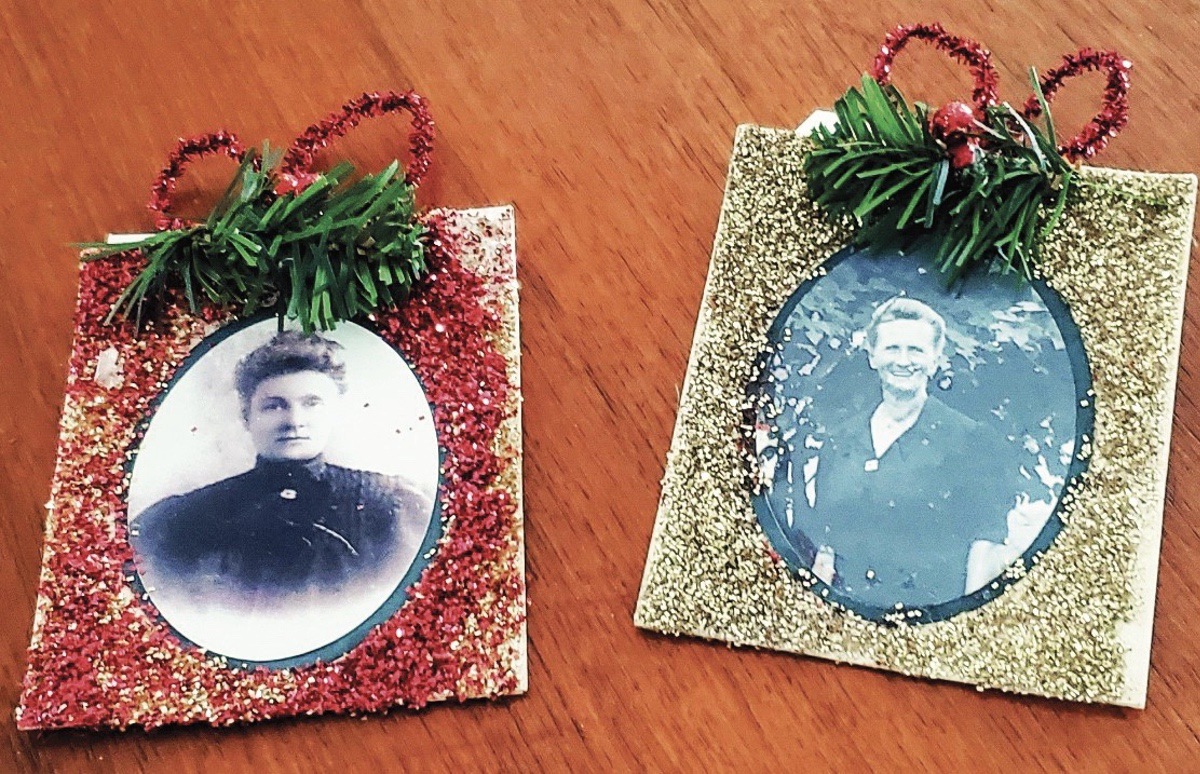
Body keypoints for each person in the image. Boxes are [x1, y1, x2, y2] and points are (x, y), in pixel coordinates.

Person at [132, 331, 431, 602]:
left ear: (334, 413)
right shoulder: (185, 519)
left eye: (312, 403)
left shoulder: (387, 506)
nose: (294, 421)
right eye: (274, 406)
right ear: (246, 417)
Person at [787, 296, 1010, 611]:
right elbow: (828, 541)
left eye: (916, 350)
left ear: (934, 360)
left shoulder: (972, 441)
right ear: (873, 356)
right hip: (849, 614)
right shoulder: (840, 440)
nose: (903, 361)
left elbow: (987, 543)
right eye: (892, 348)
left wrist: (963, 622)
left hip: (930, 619)